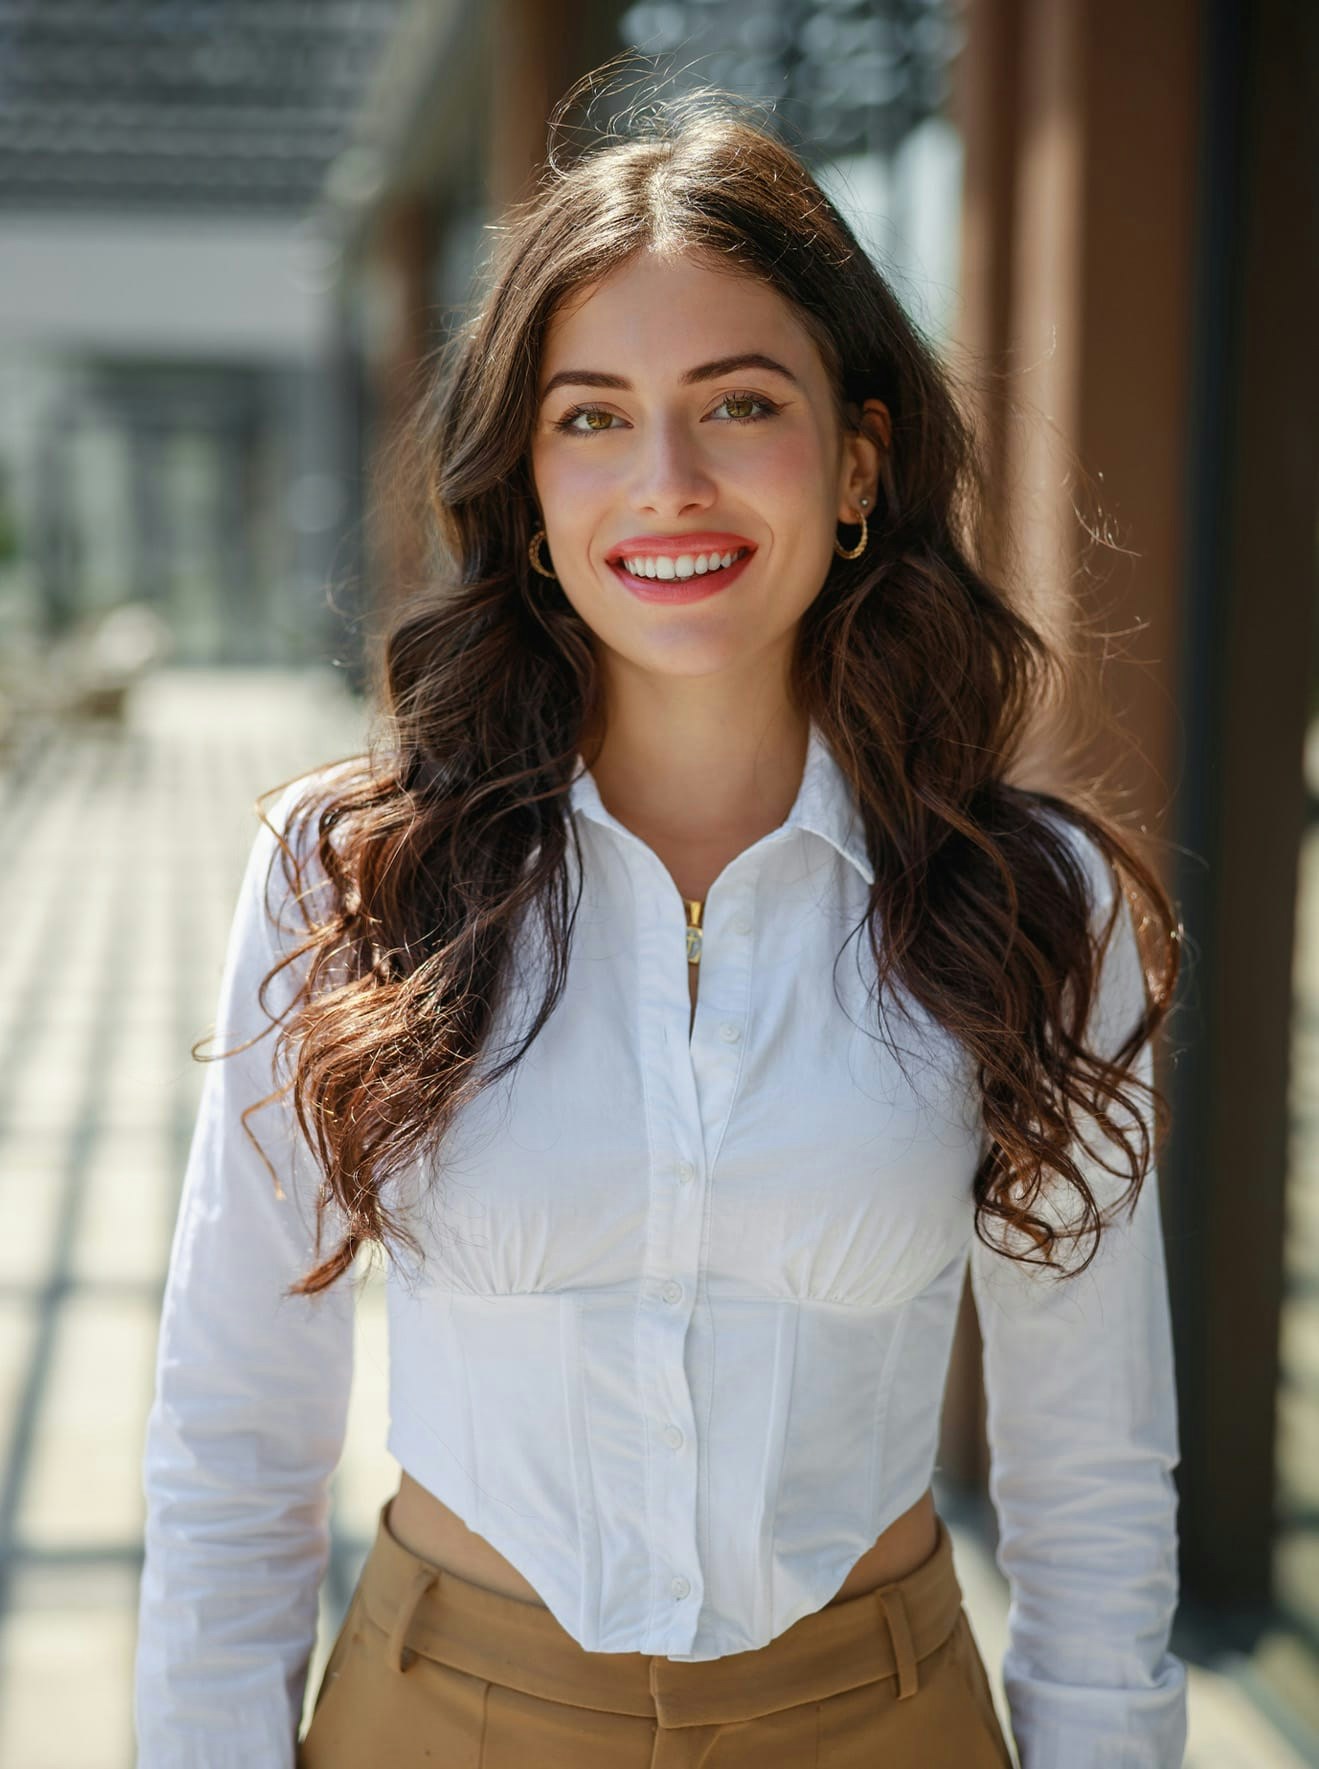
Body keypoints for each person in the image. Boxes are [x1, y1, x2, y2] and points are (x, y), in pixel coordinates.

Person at [133, 81, 1188, 1769]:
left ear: (857, 458)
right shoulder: (350, 870)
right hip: (444, 1718)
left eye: (739, 403)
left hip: (881, 1720)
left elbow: (1092, 1466)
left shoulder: (1031, 903)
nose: (668, 481)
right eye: (594, 418)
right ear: (530, 486)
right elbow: (234, 1431)